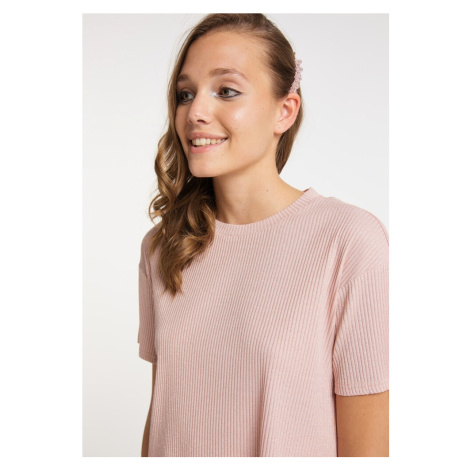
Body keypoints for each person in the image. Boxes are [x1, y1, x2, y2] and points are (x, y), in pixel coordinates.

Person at [137, 13, 388, 457]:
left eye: (226, 91)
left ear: (284, 111)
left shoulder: (348, 242)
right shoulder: (164, 246)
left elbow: (368, 453)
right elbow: (163, 422)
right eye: (185, 94)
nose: (195, 112)